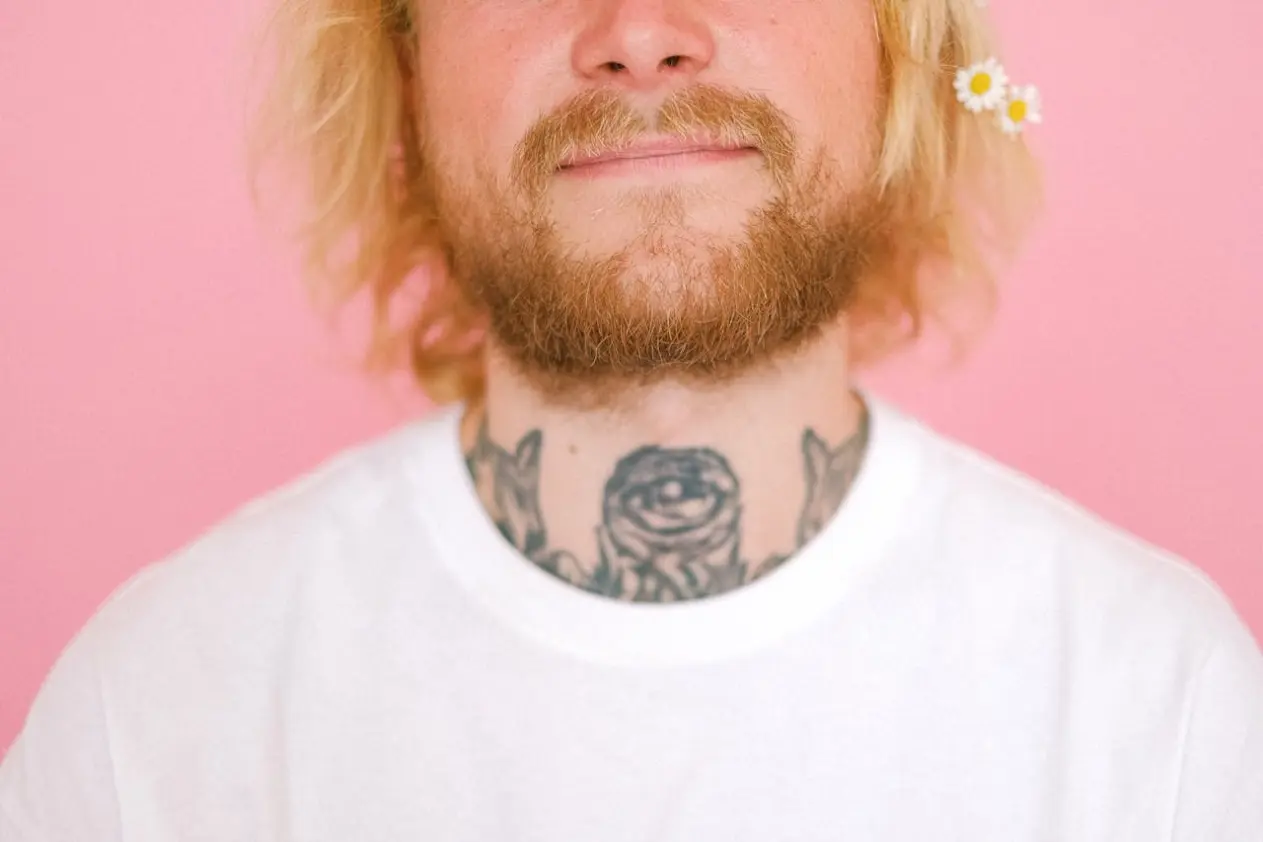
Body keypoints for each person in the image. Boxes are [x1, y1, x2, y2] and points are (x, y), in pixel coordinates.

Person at [2, 0, 1261, 838]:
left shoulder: (1169, 713)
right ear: (404, 72)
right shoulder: (153, 722)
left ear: (900, 51)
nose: (643, 34)